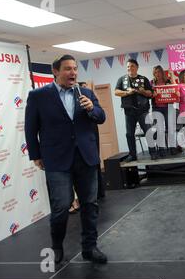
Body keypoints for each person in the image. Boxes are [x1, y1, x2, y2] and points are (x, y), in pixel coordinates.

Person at [24, 55, 107, 264]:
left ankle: (90, 247)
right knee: (61, 206)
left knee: (90, 203)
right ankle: (57, 246)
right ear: (56, 71)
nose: (73, 73)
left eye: (75, 69)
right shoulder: (38, 96)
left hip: (86, 158)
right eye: (68, 69)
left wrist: (91, 108)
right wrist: (35, 155)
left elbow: (101, 117)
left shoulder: (86, 92)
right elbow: (30, 128)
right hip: (56, 160)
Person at [115, 59, 157, 161]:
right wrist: (127, 93)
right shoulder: (122, 79)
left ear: (137, 67)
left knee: (148, 132)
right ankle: (132, 155)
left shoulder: (144, 79)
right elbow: (116, 92)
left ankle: (153, 153)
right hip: (129, 112)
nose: (130, 68)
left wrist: (142, 91)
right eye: (128, 66)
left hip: (143, 111)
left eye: (132, 66)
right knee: (129, 134)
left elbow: (151, 93)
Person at [151, 65, 175, 157]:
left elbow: (175, 88)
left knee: (170, 128)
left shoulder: (167, 81)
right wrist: (153, 94)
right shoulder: (152, 83)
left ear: (162, 72)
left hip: (168, 107)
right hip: (157, 108)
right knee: (160, 129)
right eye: (155, 72)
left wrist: (172, 75)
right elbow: (149, 94)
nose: (157, 74)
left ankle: (172, 148)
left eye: (159, 72)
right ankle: (162, 149)